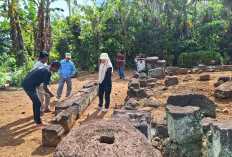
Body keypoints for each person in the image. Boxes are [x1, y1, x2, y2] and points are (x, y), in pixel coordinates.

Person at [22, 61, 61, 126]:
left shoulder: (45, 68)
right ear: (54, 67)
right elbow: (45, 87)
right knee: (38, 103)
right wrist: (50, 93)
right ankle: (38, 122)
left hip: (28, 84)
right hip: (29, 86)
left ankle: (36, 118)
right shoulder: (48, 72)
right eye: (58, 69)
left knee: (36, 102)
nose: (58, 71)